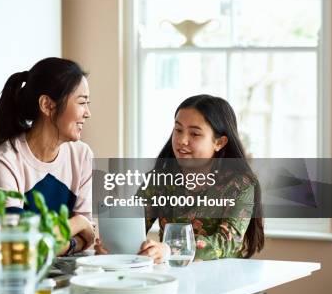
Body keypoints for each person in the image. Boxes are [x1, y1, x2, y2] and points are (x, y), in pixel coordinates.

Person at [97, 94, 264, 263]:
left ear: (219, 143)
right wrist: (113, 249)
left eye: (194, 134)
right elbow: (133, 229)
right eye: (178, 130)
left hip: (223, 281)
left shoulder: (241, 184)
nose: (182, 140)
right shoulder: (158, 179)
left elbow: (227, 243)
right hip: (171, 277)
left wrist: (170, 249)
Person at [0, 57, 95, 255]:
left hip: (56, 276)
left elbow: (90, 238)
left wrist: (79, 233)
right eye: (82, 102)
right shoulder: (3, 160)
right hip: (1, 278)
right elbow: (19, 247)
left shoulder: (82, 155)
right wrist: (78, 223)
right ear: (47, 105)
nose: (88, 113)